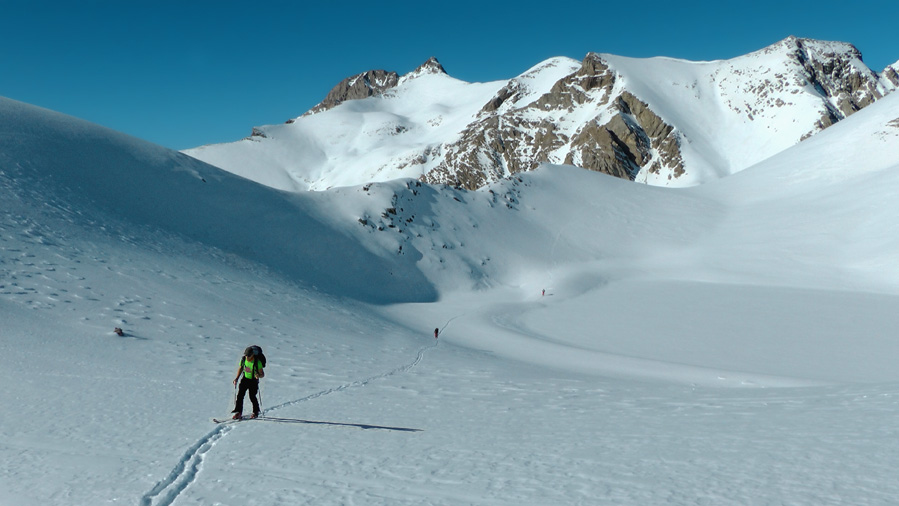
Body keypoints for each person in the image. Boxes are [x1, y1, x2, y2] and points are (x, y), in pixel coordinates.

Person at [232, 347, 265, 419]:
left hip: (253, 381)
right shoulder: (243, 359)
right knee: (240, 396)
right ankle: (238, 412)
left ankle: (256, 412)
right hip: (245, 379)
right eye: (246, 355)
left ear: (252, 355)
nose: (247, 357)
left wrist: (258, 375)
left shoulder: (257, 362)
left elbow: (262, 374)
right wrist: (237, 378)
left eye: (249, 355)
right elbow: (240, 368)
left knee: (252, 396)